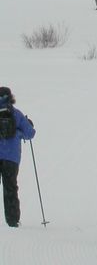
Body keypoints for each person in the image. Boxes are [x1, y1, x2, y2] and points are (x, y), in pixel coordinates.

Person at [0, 86, 36, 227]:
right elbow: (30, 133)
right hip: (11, 157)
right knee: (10, 188)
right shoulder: (16, 114)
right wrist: (20, 133)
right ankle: (13, 221)